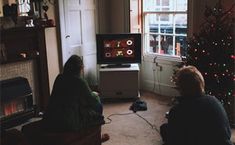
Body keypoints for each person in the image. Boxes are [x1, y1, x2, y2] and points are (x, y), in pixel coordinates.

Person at [160, 65, 233, 145]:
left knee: (164, 129)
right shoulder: (214, 101)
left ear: (181, 87)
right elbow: (228, 132)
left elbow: (175, 139)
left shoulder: (177, 110)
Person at [42, 55, 109, 142]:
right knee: (98, 105)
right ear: (80, 68)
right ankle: (96, 139)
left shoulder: (59, 78)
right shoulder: (79, 82)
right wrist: (95, 94)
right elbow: (92, 101)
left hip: (50, 118)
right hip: (68, 123)